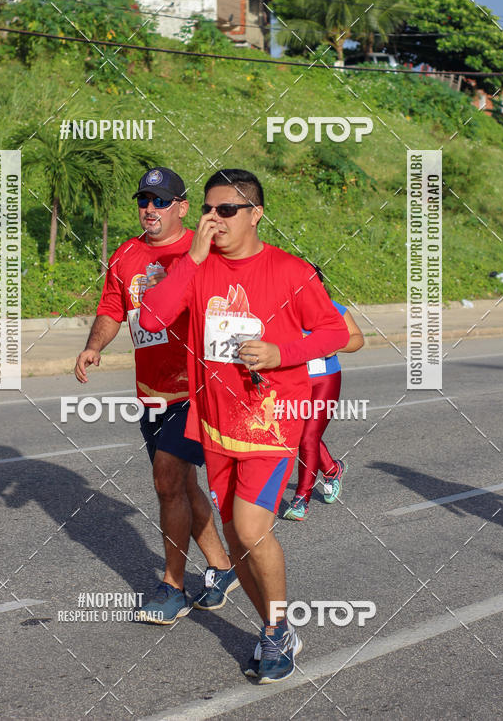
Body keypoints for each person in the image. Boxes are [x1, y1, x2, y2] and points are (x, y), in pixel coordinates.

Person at [140, 169, 349, 683]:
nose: (214, 220)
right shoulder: (196, 267)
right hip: (215, 427)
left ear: (255, 213)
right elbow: (150, 319)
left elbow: (336, 331)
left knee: (253, 529)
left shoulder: (290, 270)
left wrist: (283, 352)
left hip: (272, 423)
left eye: (226, 210)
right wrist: (189, 261)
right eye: (208, 210)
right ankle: (274, 627)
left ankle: (279, 628)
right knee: (236, 542)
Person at [74, 167, 237, 624]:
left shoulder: (203, 252)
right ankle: (223, 569)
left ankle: (173, 587)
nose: (150, 209)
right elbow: (112, 306)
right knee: (181, 485)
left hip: (197, 389)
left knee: (166, 480)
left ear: (183, 207)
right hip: (152, 393)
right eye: (144, 200)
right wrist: (93, 346)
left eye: (161, 201)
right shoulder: (126, 254)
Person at [284, 267, 364, 521]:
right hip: (293, 382)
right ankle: (332, 469)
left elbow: (357, 339)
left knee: (308, 437)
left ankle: (301, 499)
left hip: (325, 380)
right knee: (299, 434)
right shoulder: (285, 310)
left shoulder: (334, 309)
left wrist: (335, 344)